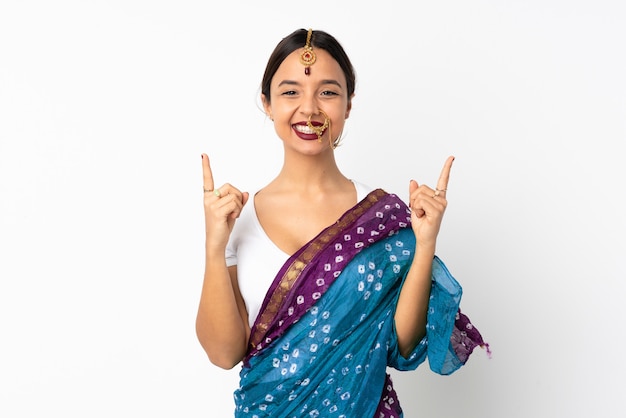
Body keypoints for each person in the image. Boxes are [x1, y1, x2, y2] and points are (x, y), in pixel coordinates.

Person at [196, 28, 489, 417]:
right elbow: (223, 354)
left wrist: (425, 245)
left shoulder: (380, 218)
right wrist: (215, 247)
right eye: (290, 92)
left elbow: (402, 345)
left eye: (328, 92)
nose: (310, 109)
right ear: (267, 103)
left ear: (348, 104)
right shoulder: (236, 218)